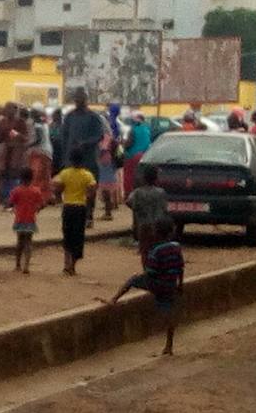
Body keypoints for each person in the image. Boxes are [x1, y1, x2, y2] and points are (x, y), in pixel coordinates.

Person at [108, 218, 184, 355]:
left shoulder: (156, 251)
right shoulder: (176, 247)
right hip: (171, 284)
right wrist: (180, 284)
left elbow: (151, 271)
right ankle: (169, 345)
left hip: (157, 283)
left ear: (156, 233)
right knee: (169, 313)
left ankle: (114, 299)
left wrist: (146, 273)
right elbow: (180, 267)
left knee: (132, 280)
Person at [62, 89, 104, 227]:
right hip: (71, 160)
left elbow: (99, 136)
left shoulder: (93, 117)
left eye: (81, 99)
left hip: (89, 160)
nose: (78, 101)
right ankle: (73, 216)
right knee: (70, 188)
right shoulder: (69, 117)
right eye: (76, 99)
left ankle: (89, 216)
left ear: (86, 100)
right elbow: (64, 136)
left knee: (89, 188)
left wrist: (85, 143)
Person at [53, 148, 97, 276]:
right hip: (80, 207)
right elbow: (92, 190)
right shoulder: (87, 175)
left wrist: (59, 198)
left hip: (68, 207)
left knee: (67, 234)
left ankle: (66, 264)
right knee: (78, 237)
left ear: (71, 160)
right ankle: (72, 265)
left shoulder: (65, 173)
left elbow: (57, 187)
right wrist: (87, 198)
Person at [127, 165, 169, 266]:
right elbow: (165, 208)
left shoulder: (138, 192)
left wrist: (138, 211)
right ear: (156, 178)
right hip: (158, 226)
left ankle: (147, 272)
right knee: (158, 250)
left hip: (143, 225)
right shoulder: (161, 192)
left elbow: (129, 202)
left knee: (145, 252)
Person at [9, 167, 45, 275]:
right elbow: (42, 204)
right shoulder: (36, 191)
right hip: (30, 220)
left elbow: (10, 203)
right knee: (28, 242)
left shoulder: (16, 191)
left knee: (19, 242)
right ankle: (27, 265)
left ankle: (17, 264)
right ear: (31, 178)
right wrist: (37, 209)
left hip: (19, 220)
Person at [27, 107, 54, 205]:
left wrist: (27, 145)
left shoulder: (38, 126)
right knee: (46, 176)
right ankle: (47, 197)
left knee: (37, 176)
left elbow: (38, 140)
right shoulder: (45, 125)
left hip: (40, 152)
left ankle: (37, 197)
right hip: (47, 152)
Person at [123, 111, 152, 196]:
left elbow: (128, 143)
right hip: (144, 156)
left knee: (129, 176)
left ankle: (128, 194)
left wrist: (123, 145)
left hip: (132, 155)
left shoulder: (133, 129)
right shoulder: (147, 129)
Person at [97, 132, 122, 222]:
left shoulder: (104, 150)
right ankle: (110, 210)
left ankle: (108, 213)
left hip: (105, 174)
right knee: (109, 193)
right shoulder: (111, 140)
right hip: (111, 171)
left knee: (106, 193)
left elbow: (102, 152)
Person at [49, 108, 64, 175]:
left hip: (61, 149)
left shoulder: (64, 126)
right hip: (53, 149)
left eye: (55, 115)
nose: (53, 117)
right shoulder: (51, 126)